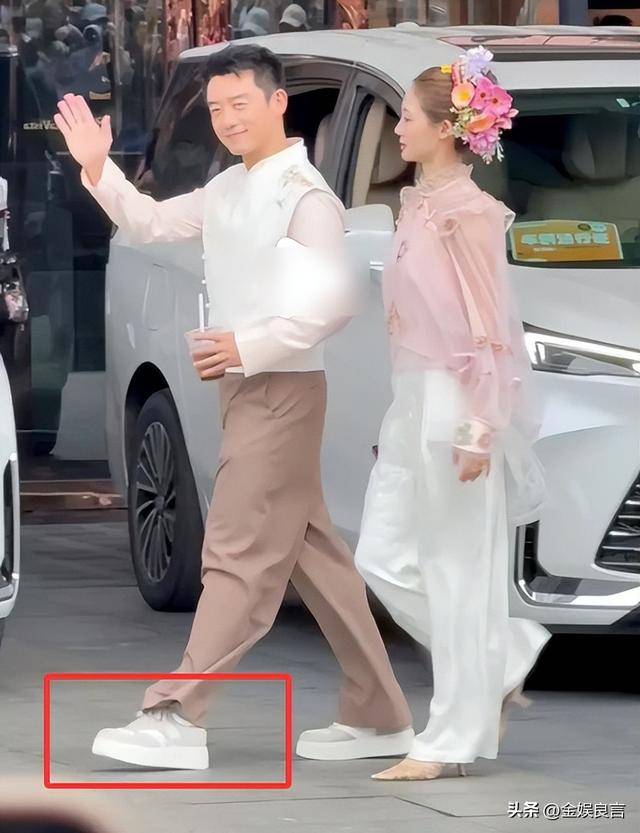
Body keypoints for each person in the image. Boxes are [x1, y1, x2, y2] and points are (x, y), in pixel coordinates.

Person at [53, 43, 413, 771]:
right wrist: (98, 167)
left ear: (278, 102)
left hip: (281, 391)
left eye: (239, 104)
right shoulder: (230, 186)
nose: (226, 119)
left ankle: (176, 714)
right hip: (249, 389)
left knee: (236, 550)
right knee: (314, 556)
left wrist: (245, 345)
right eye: (216, 108)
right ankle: (381, 714)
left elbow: (332, 305)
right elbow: (149, 223)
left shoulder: (305, 198)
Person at [353, 47, 551, 781]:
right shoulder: (420, 204)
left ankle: (446, 737)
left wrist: (479, 426)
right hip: (414, 399)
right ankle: (502, 656)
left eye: (405, 117)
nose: (396, 128)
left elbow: (491, 327)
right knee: (381, 555)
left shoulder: (468, 214)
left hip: (456, 402)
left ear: (446, 129)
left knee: (455, 569)